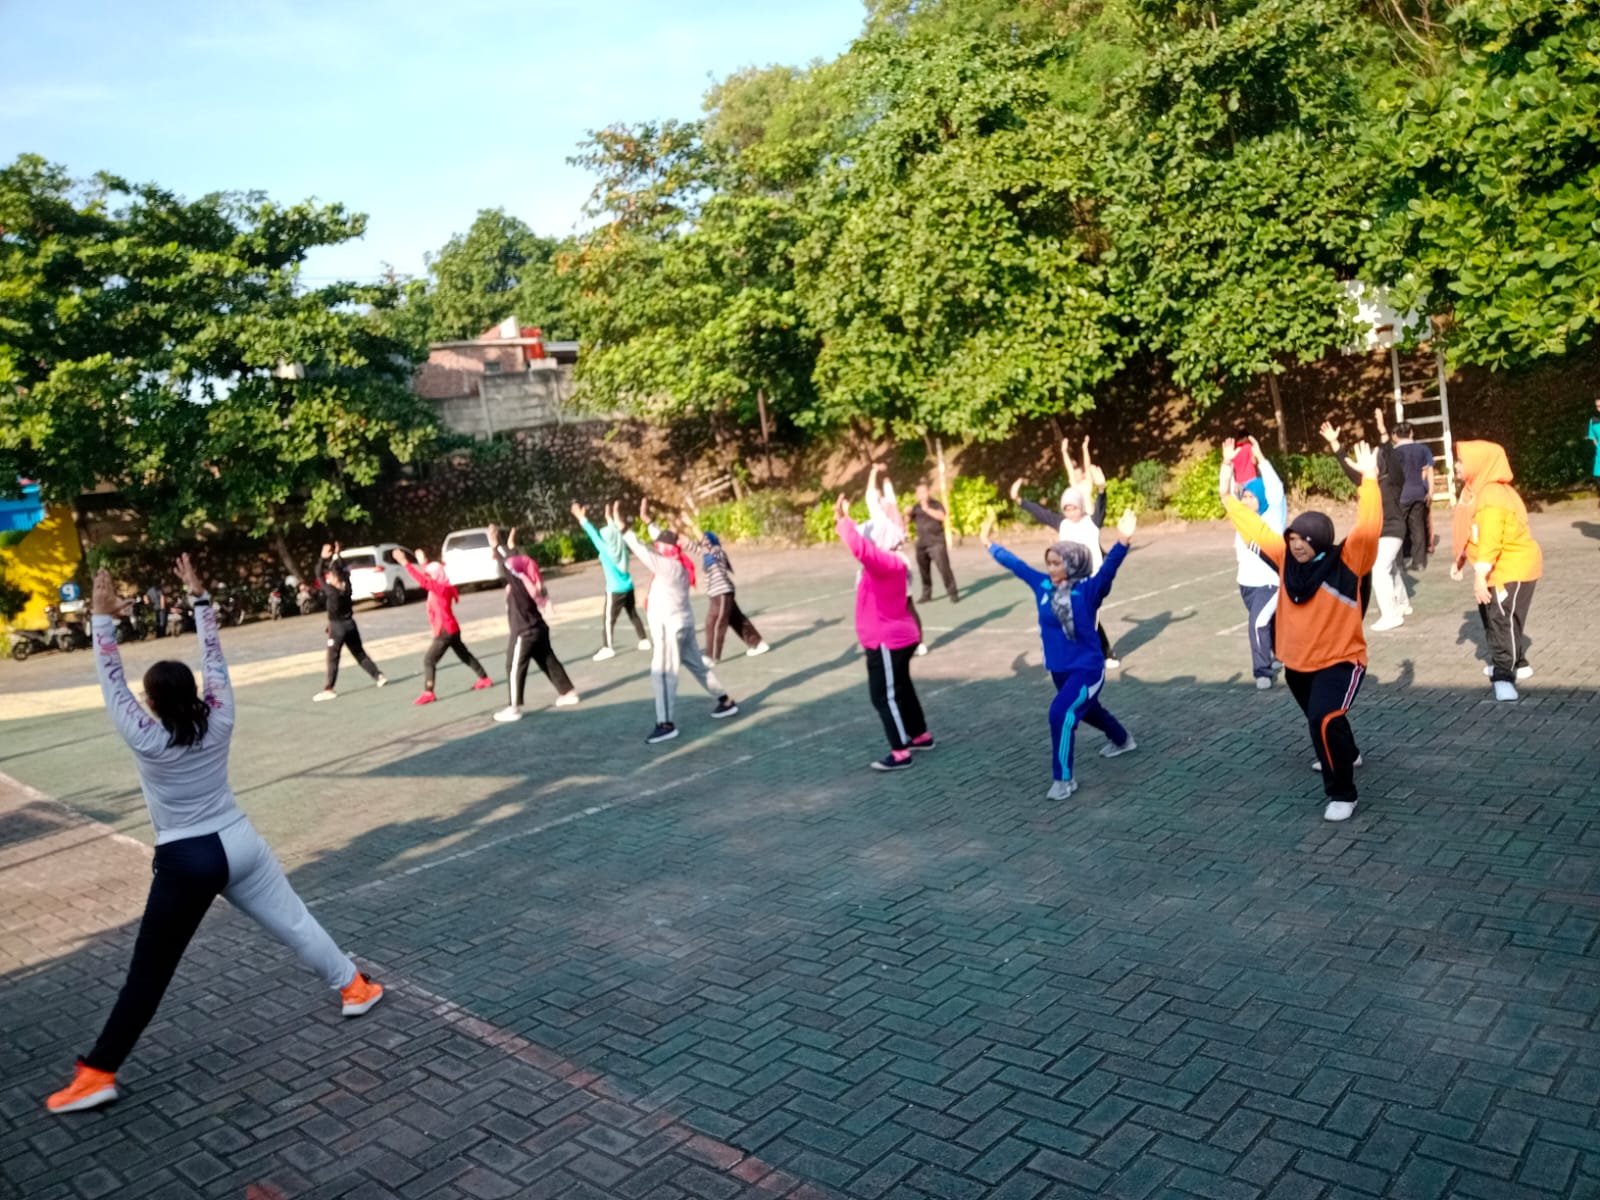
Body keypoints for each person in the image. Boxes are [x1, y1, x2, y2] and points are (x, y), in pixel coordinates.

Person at [46, 556, 384, 1115]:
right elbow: (215, 658)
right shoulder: (219, 715)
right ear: (194, 694)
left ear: (152, 704)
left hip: (188, 859)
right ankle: (355, 988)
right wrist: (200, 600)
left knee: (149, 974)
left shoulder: (146, 736)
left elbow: (110, 679)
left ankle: (99, 1073)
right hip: (240, 842)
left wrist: (102, 619)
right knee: (296, 921)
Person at [1223, 442, 1382, 822]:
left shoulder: (1348, 561)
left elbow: (1369, 528)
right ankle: (1349, 753)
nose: (1295, 546)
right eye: (1292, 539)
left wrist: (1369, 480)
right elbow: (1250, 523)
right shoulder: (1284, 561)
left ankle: (1342, 793)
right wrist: (1226, 480)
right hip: (1297, 665)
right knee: (1326, 719)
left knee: (1322, 719)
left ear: (1319, 541)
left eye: (1303, 541)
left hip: (1341, 660)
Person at [981, 508, 1139, 800]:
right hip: (1059, 669)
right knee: (1089, 710)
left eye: (1057, 563)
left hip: (1088, 670)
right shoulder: (1042, 585)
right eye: (1049, 563)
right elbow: (1016, 564)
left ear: (1073, 564)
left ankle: (1063, 780)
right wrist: (988, 543)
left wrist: (1122, 540)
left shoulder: (1089, 590)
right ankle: (1122, 739)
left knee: (1060, 713)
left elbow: (1109, 568)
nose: (1051, 569)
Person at [624, 500, 739, 743]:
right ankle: (725, 701)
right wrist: (649, 522)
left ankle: (665, 724)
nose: (656, 548)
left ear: (665, 549)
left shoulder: (669, 567)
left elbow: (646, 552)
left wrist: (625, 530)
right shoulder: (677, 562)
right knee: (698, 666)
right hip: (683, 625)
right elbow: (663, 541)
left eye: (659, 546)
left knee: (663, 673)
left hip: (670, 628)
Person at [836, 492, 933, 771]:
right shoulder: (893, 562)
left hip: (887, 640)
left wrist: (844, 520)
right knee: (902, 688)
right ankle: (919, 735)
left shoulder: (887, 564)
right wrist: (844, 520)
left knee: (883, 695)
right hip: (898, 635)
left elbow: (860, 548)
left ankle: (900, 752)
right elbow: (861, 545)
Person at [1449, 441, 1542, 702]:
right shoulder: (1475, 491)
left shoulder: (1493, 494)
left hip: (1512, 568)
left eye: (1462, 460)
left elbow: (1491, 539)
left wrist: (1479, 576)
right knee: (1493, 617)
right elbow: (1471, 530)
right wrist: (1461, 558)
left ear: (1479, 463)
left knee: (1502, 619)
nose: (1457, 465)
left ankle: (1504, 676)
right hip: (1495, 568)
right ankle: (1518, 663)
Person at [1010, 452, 1120, 668]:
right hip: (1070, 580)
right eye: (1066, 508)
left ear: (1081, 507)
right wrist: (1019, 500)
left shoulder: (1092, 522)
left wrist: (1101, 488)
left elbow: (1101, 506)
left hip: (1093, 578)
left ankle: (1105, 654)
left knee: (1088, 615)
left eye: (1074, 507)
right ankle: (1096, 653)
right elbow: (1040, 512)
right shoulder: (1062, 524)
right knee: (1077, 615)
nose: (1070, 512)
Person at [1322, 416, 1409, 631]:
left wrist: (1383, 431)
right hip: (1376, 532)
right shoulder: (1366, 480)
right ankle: (1402, 604)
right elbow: (1346, 465)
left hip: (1392, 529)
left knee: (1379, 568)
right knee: (1390, 567)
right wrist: (1334, 442)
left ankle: (1391, 615)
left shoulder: (1393, 479)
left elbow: (1390, 454)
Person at [487, 524, 579, 721]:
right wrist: (509, 547)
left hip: (524, 632)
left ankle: (513, 707)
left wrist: (495, 544)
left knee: (513, 666)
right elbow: (512, 563)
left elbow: (507, 564)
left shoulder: (518, 582)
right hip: (538, 628)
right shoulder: (530, 580)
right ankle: (568, 692)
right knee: (548, 660)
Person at [1219, 437, 1287, 687]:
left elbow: (1276, 490)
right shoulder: (1241, 517)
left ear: (1262, 498)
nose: (1246, 500)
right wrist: (1227, 463)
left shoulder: (1273, 517)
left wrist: (1262, 460)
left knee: (1257, 623)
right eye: (1245, 496)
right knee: (1269, 620)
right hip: (1246, 586)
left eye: (1251, 497)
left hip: (1270, 584)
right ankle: (1279, 654)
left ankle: (1262, 672)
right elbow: (1225, 493)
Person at [390, 548, 493, 705]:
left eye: (430, 574)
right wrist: (423, 562)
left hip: (445, 631)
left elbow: (423, 581)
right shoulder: (444, 586)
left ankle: (429, 692)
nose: (428, 576)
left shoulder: (440, 589)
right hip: (452, 628)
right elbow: (430, 575)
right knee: (465, 655)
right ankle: (484, 678)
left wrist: (405, 563)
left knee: (429, 660)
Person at [677, 520, 769, 664]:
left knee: (714, 623)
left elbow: (703, 545)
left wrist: (692, 525)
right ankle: (758, 644)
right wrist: (685, 540)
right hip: (722, 593)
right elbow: (698, 549)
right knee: (737, 620)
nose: (701, 543)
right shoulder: (709, 554)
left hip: (721, 593)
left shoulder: (716, 551)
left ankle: (711, 656)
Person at [572, 501, 650, 661]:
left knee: (608, 620)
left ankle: (608, 647)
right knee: (633, 613)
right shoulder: (621, 544)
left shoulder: (605, 549)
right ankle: (644, 640)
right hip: (628, 586)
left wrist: (581, 517)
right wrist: (610, 517)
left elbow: (592, 533)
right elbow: (615, 532)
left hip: (615, 590)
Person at [311, 543, 386, 702]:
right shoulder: (347, 588)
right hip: (351, 625)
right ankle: (378, 675)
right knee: (359, 653)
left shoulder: (332, 592)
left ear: (335, 578)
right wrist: (337, 555)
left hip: (337, 628)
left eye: (330, 576)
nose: (328, 578)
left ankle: (329, 688)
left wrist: (322, 558)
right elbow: (345, 571)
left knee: (332, 658)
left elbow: (318, 574)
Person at [1390, 421, 1435, 570]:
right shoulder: (1422, 449)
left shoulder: (1393, 452)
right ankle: (1419, 562)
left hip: (1401, 494)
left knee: (1398, 528)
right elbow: (1427, 471)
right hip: (1419, 492)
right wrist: (1430, 491)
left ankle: (1399, 563)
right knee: (1418, 527)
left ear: (1396, 436)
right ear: (1411, 433)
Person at [909, 483, 959, 604]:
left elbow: (942, 516)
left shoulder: (936, 504)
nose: (922, 495)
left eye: (924, 492)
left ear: (929, 492)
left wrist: (927, 509)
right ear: (916, 496)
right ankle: (927, 594)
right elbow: (907, 520)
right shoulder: (916, 508)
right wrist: (907, 513)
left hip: (936, 543)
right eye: (919, 493)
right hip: (922, 543)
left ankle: (952, 592)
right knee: (923, 571)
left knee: (944, 568)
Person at [1587, 396, 1600, 504]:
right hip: (1599, 455)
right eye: (1597, 406)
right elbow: (1593, 438)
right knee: (1598, 478)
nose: (1599, 408)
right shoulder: (1593, 420)